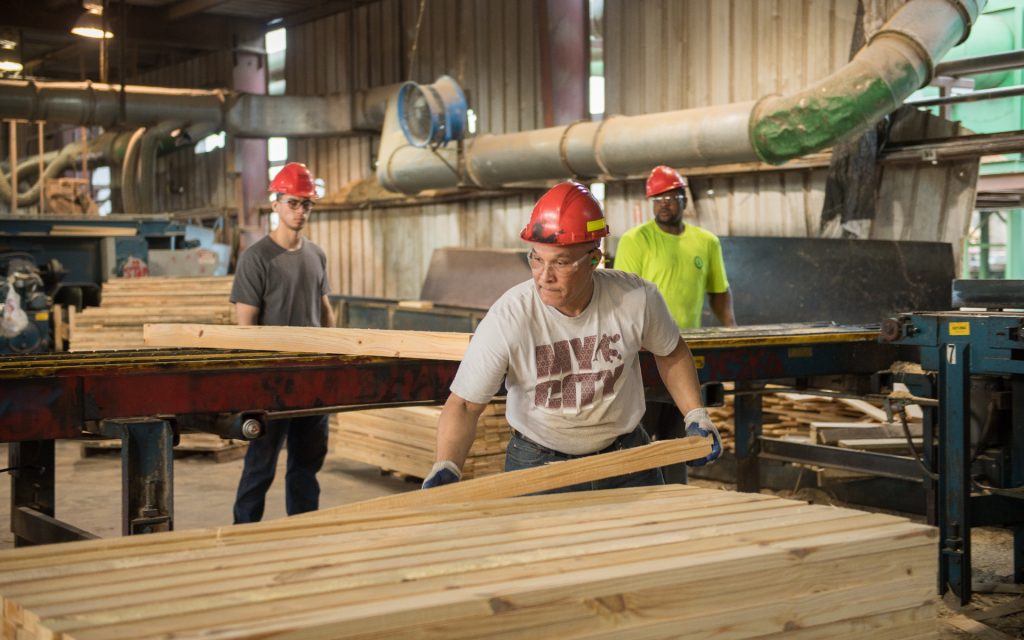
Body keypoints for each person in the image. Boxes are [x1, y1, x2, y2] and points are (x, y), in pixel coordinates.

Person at [421, 181, 721, 491]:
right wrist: (448, 465)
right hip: (538, 462)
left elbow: (671, 352)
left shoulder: (636, 299)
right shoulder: (509, 316)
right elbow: (466, 405)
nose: (543, 276)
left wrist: (696, 415)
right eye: (536, 258)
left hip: (626, 458)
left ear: (594, 259)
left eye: (560, 262)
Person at [615, 165, 737, 483]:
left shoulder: (707, 242)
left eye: (670, 197)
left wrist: (733, 333)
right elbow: (623, 296)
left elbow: (719, 292)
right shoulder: (635, 240)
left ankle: (675, 493)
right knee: (637, 434)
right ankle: (635, 493)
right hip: (644, 352)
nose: (663, 204)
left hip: (685, 352)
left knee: (679, 431)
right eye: (656, 199)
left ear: (684, 198)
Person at [230, 162, 336, 523]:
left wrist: (334, 357)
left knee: (305, 469)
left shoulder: (316, 256)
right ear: (275, 204)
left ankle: (302, 535)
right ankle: (242, 539)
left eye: (306, 204)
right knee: (260, 468)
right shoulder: (256, 259)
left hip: (310, 380)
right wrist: (250, 380)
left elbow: (324, 312)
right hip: (270, 380)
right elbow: (245, 324)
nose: (300, 211)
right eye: (293, 203)